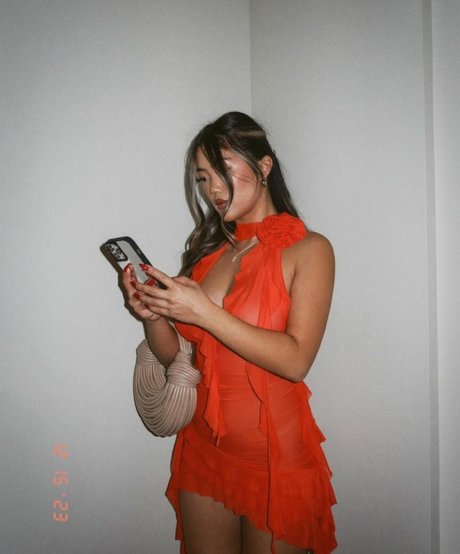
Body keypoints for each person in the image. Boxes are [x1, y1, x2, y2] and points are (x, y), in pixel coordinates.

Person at [122, 112, 337, 554]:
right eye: (203, 178)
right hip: (204, 450)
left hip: (274, 461)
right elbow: (178, 357)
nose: (212, 189)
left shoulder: (310, 249)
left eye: (221, 170)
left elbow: (296, 360)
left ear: (264, 166)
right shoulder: (210, 253)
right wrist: (152, 314)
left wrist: (203, 311)